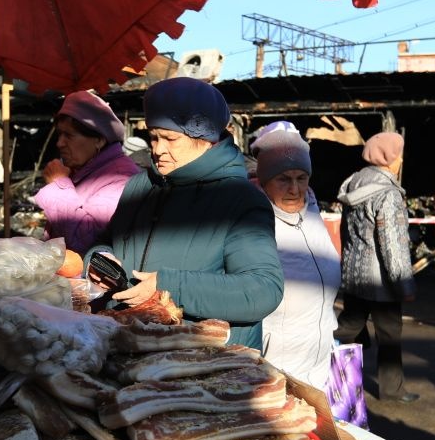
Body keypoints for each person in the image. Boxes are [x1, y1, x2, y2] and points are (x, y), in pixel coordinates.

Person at [93, 77, 283, 350]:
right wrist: (99, 260)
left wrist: (168, 285)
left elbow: (263, 290)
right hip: (131, 351)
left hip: (205, 369)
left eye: (170, 138)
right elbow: (106, 240)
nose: (158, 149)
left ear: (206, 139)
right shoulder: (139, 187)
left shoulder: (240, 200)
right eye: (154, 137)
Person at [333, 131, 419, 402]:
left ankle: (337, 381)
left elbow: (347, 236)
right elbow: (393, 244)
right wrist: (404, 284)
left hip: (355, 275)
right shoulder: (389, 195)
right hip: (382, 282)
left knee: (349, 326)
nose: (402, 159)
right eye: (400, 154)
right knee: (389, 334)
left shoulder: (353, 185)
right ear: (391, 159)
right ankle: (392, 390)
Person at [256, 128, 341, 389]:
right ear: (264, 182)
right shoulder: (254, 221)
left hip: (319, 360)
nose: (295, 189)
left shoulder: (311, 212)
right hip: (277, 367)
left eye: (302, 178)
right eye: (283, 179)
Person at [34, 91, 139, 252]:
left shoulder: (120, 177)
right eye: (59, 134)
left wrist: (59, 184)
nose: (59, 143)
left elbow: (84, 241)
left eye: (69, 135)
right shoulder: (82, 169)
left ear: (99, 140)